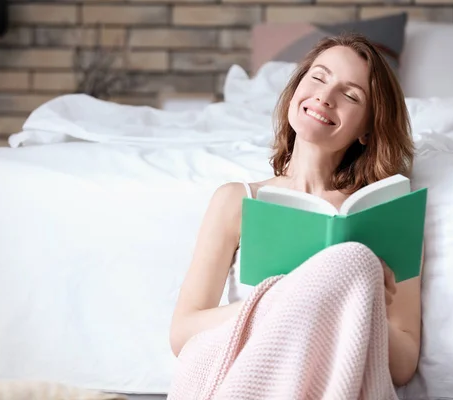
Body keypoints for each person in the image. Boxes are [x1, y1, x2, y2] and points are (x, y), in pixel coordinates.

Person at [169, 32, 422, 388]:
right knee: (352, 262)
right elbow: (183, 333)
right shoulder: (236, 201)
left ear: (367, 128)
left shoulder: (386, 212)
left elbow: (404, 364)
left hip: (338, 385)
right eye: (318, 77)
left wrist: (365, 304)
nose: (325, 96)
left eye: (350, 95)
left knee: (357, 262)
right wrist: (293, 295)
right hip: (253, 379)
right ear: (296, 90)